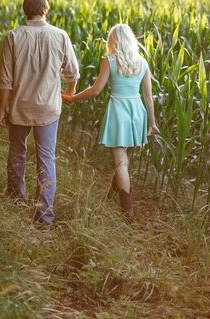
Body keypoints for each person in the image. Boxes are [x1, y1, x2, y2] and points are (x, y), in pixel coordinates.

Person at [0, 0, 80, 227]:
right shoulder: (60, 36)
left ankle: (16, 202)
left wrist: (2, 109)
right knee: (46, 158)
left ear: (25, 11)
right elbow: (73, 73)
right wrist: (69, 92)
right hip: (48, 108)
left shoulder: (13, 37)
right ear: (46, 9)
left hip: (19, 106)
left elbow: (5, 80)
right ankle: (44, 217)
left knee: (17, 152)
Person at [61, 23, 158, 221]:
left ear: (113, 40)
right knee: (124, 162)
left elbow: (96, 90)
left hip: (119, 112)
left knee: (121, 164)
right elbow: (148, 96)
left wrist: (73, 97)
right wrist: (152, 122)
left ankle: (127, 212)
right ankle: (111, 197)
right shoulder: (142, 63)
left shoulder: (110, 60)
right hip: (137, 112)